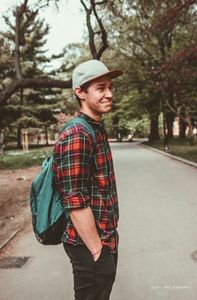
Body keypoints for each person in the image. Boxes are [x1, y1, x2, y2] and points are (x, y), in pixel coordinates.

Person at [53, 59, 123, 300]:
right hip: (89, 246)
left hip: (103, 239)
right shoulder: (77, 134)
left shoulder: (94, 128)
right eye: (101, 88)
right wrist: (98, 252)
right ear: (80, 92)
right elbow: (74, 200)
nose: (109, 94)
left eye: (110, 87)